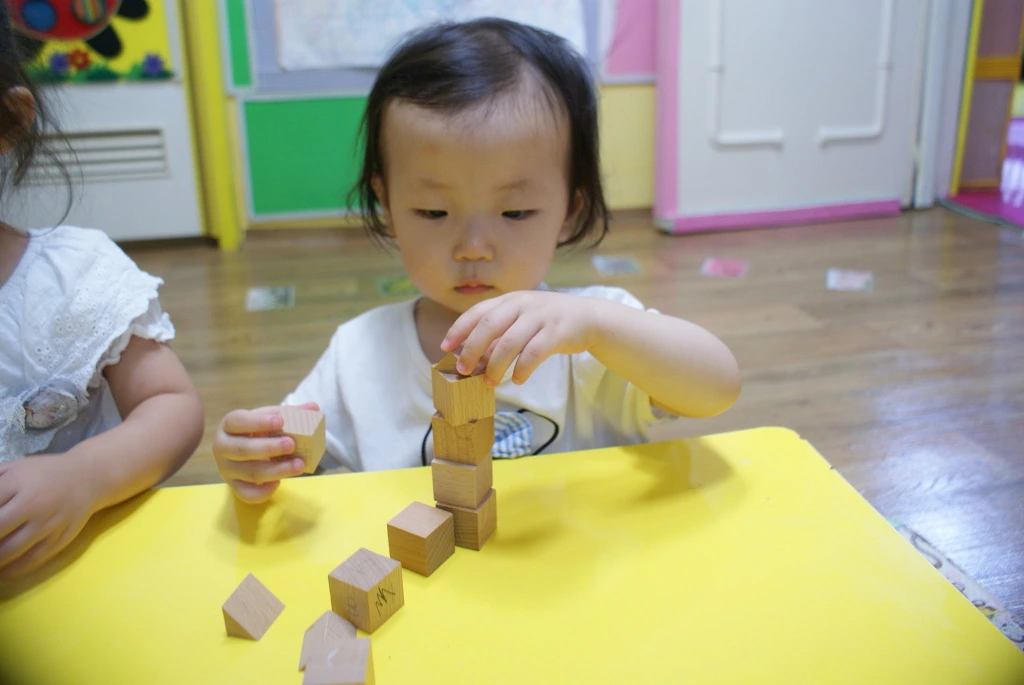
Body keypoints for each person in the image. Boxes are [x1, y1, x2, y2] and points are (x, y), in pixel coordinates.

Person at [214, 18, 740, 503]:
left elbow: (717, 389)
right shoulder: (358, 353)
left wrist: (600, 327)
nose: (472, 247)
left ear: (568, 211)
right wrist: (255, 455)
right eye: (433, 211)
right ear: (388, 207)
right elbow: (297, 460)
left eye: (514, 212)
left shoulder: (596, 336)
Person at [0, 3, 203, 581]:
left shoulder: (76, 275)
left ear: (9, 122)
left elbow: (172, 404)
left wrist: (83, 476)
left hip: (90, 569)